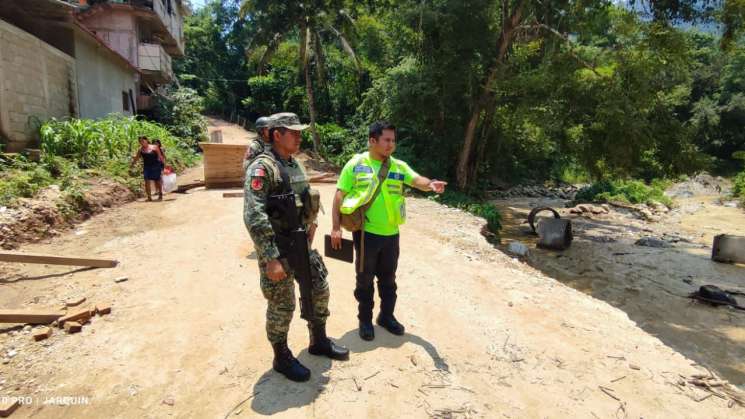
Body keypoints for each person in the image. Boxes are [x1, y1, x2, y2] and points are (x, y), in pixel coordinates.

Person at [243, 112, 349, 382]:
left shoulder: (295, 164)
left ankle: (319, 340)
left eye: (300, 131)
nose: (299, 136)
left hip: (301, 243)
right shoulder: (263, 168)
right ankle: (281, 356)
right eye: (294, 132)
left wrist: (312, 223)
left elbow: (307, 198)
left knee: (319, 287)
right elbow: (254, 214)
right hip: (278, 248)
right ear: (277, 135)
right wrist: (270, 257)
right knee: (283, 305)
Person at [330, 121, 447, 341]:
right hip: (366, 234)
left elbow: (416, 180)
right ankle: (365, 320)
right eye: (386, 140)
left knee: (389, 278)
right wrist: (336, 228)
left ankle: (386, 316)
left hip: (392, 235)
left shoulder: (398, 166)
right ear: (372, 140)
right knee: (364, 278)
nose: (391, 144)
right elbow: (339, 195)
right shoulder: (356, 164)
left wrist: (430, 184)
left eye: (393, 140)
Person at [130, 136, 165, 201]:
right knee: (146, 181)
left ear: (146, 140)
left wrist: (164, 166)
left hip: (156, 166)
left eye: (142, 141)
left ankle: (160, 194)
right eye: (140, 141)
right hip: (147, 167)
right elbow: (136, 158)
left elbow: (160, 157)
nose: (141, 142)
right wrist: (132, 165)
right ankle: (149, 197)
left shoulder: (154, 147)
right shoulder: (140, 150)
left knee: (157, 180)